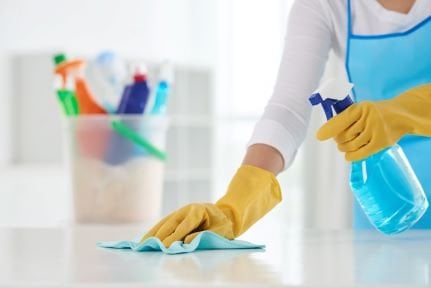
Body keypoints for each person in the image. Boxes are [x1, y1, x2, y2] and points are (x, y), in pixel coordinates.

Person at [143, 0, 431, 247]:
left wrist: (401, 113)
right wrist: (236, 205)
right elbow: (288, 109)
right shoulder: (325, 5)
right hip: (388, 203)